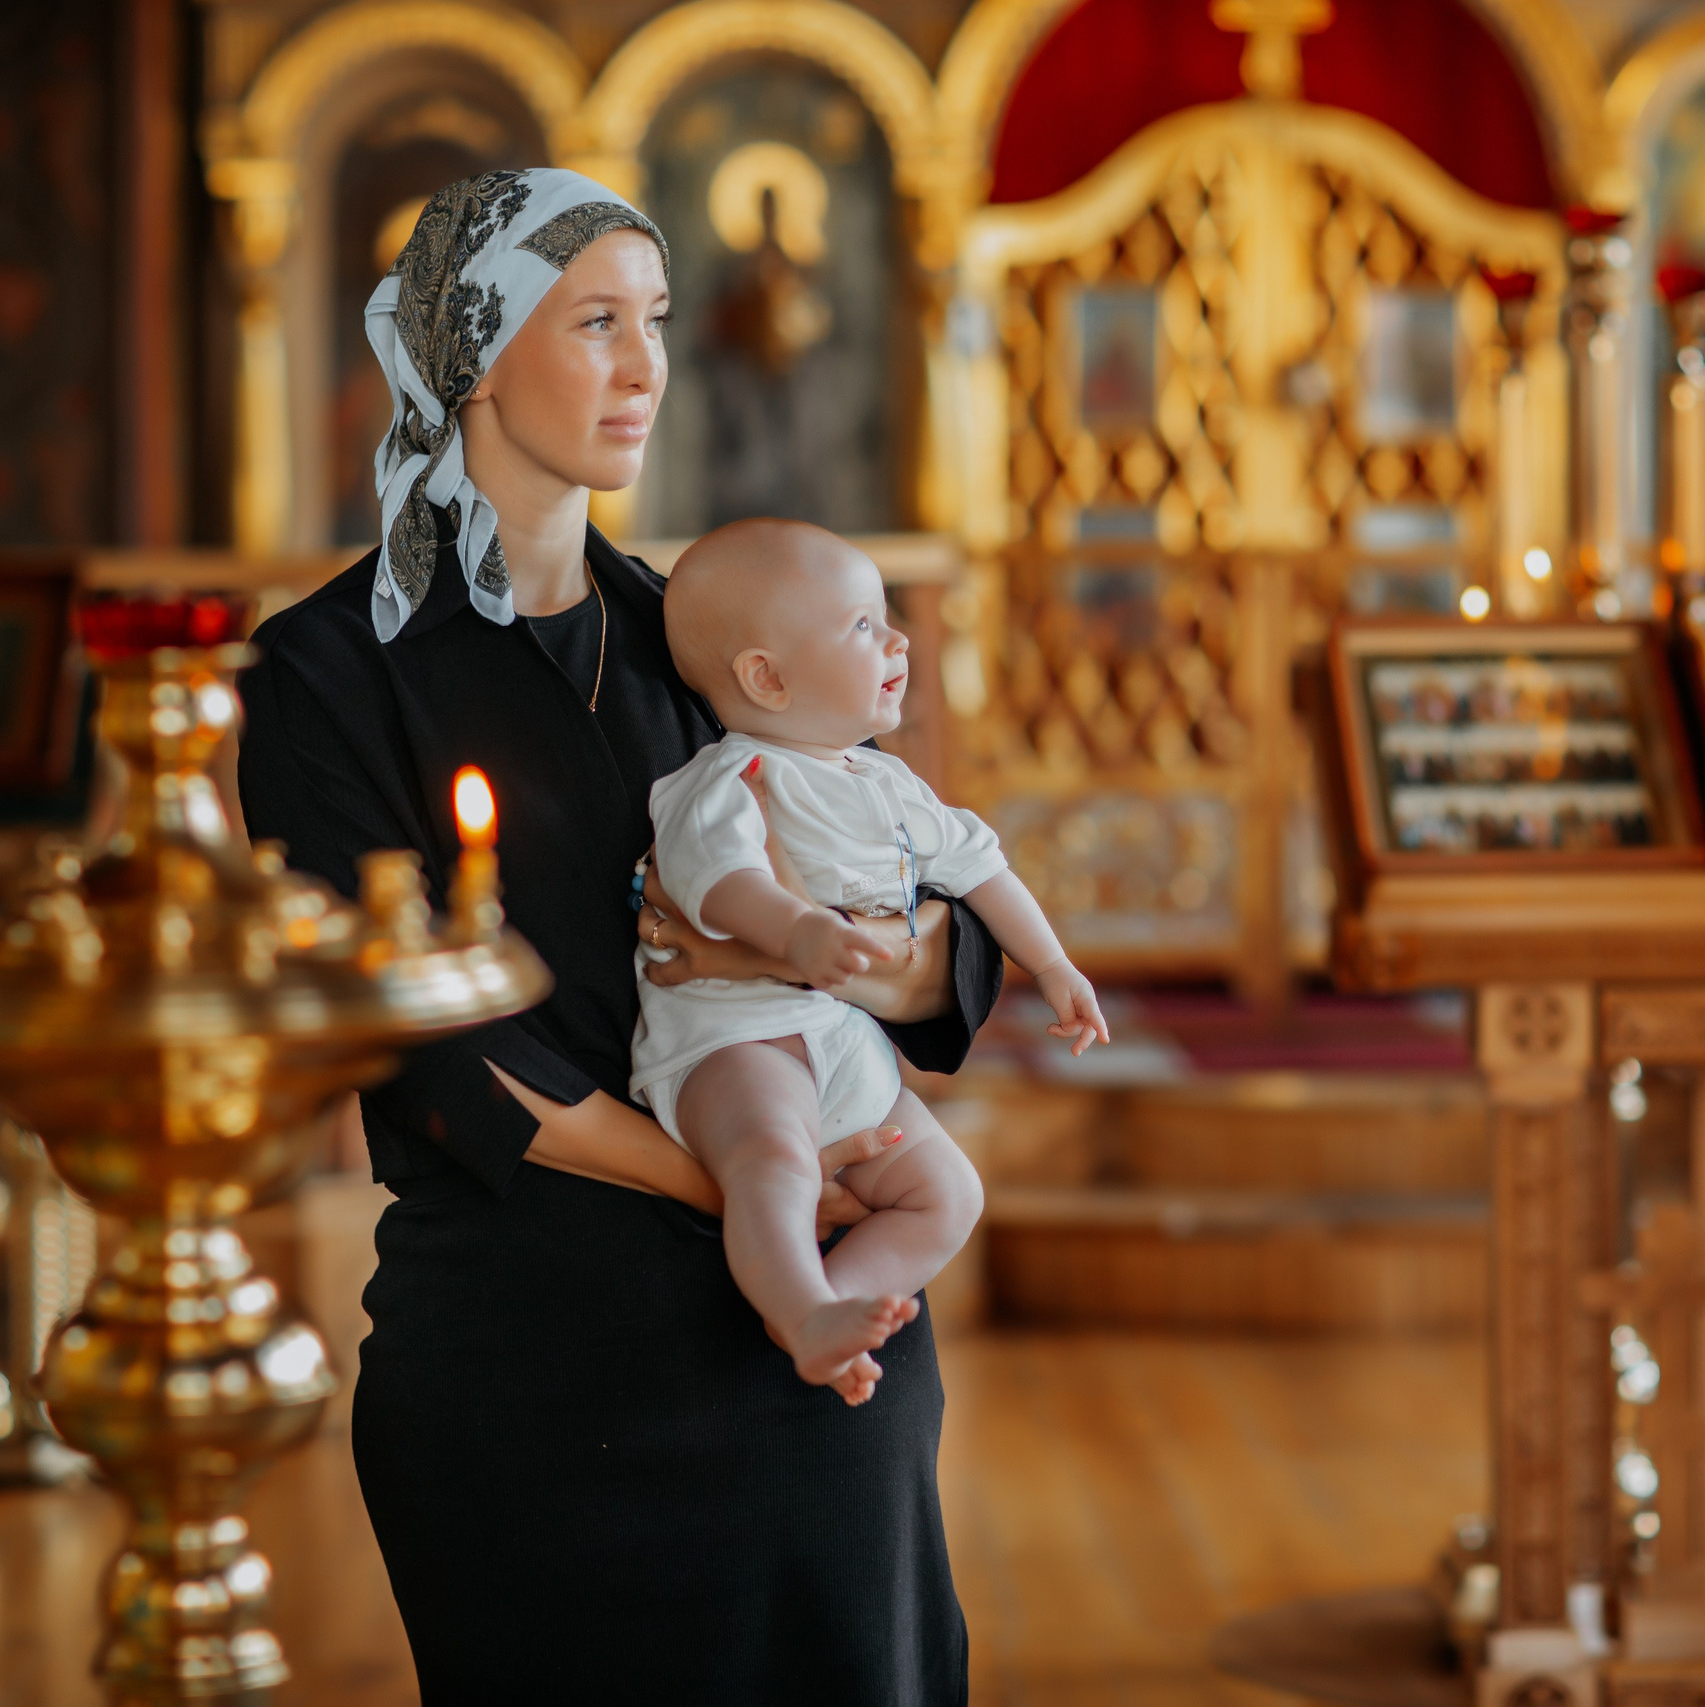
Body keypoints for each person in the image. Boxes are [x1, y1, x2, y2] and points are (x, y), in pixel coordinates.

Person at [235, 169, 999, 1705]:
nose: (648, 365)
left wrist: (859, 966)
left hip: (813, 1357)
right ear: (473, 347)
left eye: (653, 320)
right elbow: (422, 1042)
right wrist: (740, 1178)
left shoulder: (704, 631)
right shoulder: (327, 673)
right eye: (596, 322)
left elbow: (935, 910)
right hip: (534, 1355)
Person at [637, 520, 1106, 1405]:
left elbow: (981, 865)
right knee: (772, 1162)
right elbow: (720, 881)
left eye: (888, 618)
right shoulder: (731, 779)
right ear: (764, 677)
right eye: (861, 625)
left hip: (846, 1047)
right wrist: (798, 932)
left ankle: (828, 1308)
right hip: (735, 1045)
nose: (895, 639)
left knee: (948, 1192)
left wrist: (1052, 966)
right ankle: (803, 1306)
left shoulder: (885, 781)